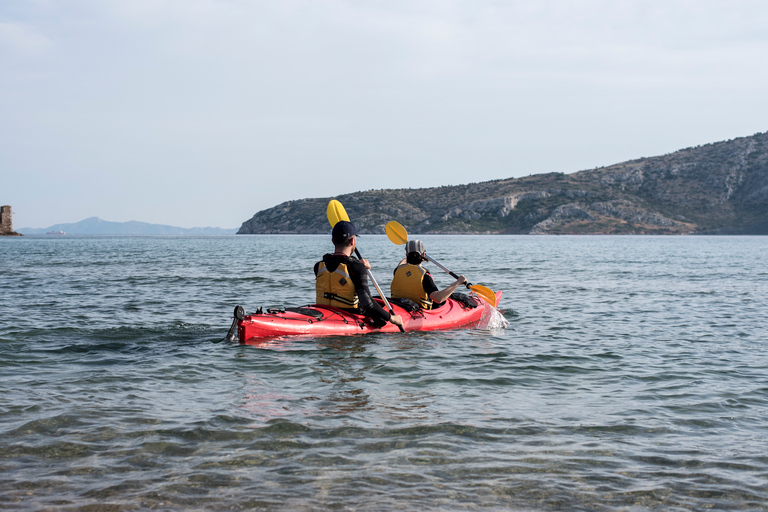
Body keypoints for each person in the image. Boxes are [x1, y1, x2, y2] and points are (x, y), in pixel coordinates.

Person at [314, 220, 403, 329]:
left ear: (333, 241)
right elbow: (367, 303)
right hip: (348, 316)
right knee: (380, 320)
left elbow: (339, 265)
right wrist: (391, 318)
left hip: (324, 311)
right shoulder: (356, 267)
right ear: (352, 241)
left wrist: (359, 267)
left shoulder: (319, 266)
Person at [390, 239, 467, 309]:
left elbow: (402, 263)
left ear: (406, 255)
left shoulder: (397, 270)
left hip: (399, 304)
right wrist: (458, 282)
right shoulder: (424, 276)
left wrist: (411, 252)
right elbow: (438, 299)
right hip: (419, 309)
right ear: (424, 254)